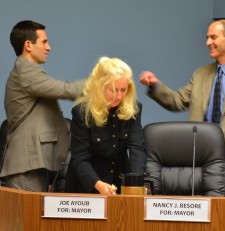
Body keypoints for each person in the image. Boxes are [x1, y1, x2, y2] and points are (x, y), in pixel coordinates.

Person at [139, 19, 225, 199]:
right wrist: (155, 86)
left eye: (213, 37)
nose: (207, 42)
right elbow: (178, 101)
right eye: (207, 38)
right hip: (202, 167)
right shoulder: (200, 75)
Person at [0, 20, 85, 192]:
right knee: (26, 219)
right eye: (44, 42)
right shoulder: (26, 71)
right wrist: (101, 81)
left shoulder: (26, 70)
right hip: (26, 167)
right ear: (28, 45)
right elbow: (65, 90)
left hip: (32, 165)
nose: (49, 48)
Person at [64, 57, 147, 195]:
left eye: (123, 90)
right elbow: (80, 158)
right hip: (86, 187)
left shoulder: (133, 109)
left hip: (119, 184)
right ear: (100, 86)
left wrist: (136, 184)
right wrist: (97, 184)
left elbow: (137, 148)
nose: (119, 96)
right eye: (113, 90)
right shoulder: (82, 112)